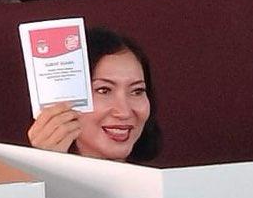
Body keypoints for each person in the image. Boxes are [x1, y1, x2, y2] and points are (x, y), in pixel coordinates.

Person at [27, 28, 161, 162]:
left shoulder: (165, 176)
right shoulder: (24, 173)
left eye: (137, 91)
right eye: (104, 90)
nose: (124, 112)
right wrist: (45, 165)